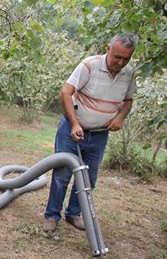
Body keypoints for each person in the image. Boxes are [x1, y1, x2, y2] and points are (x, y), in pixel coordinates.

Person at [43, 34, 136, 233]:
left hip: (99, 135)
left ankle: (74, 213)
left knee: (87, 178)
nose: (120, 62)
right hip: (72, 130)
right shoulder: (89, 66)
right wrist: (75, 123)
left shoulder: (128, 73)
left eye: (126, 59)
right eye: (117, 57)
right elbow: (66, 92)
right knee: (62, 175)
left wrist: (120, 118)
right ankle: (52, 216)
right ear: (108, 48)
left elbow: (128, 101)